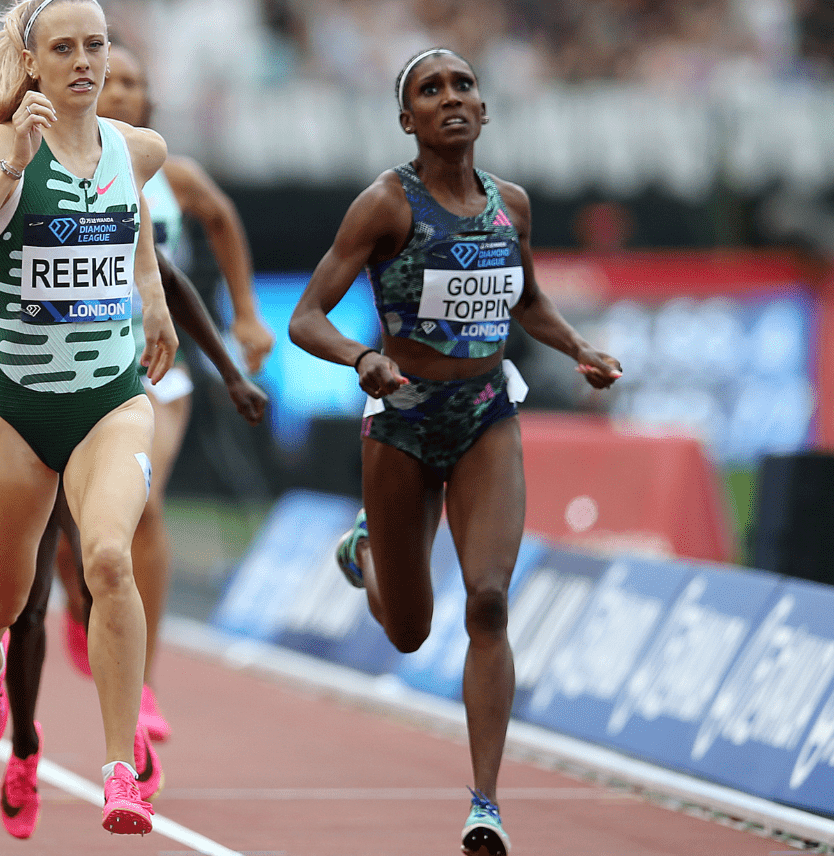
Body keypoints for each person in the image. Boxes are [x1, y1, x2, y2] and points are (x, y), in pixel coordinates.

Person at [287, 48, 623, 856]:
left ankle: (486, 805)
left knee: (489, 603)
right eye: (430, 91)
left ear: (484, 107)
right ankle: (368, 551)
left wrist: (579, 346)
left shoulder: (511, 205)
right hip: (401, 423)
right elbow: (306, 317)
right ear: (408, 120)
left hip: (483, 419)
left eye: (464, 85)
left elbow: (530, 300)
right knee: (406, 630)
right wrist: (362, 359)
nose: (451, 99)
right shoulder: (383, 206)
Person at [0, 0, 176, 836]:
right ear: (32, 62)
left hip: (111, 398)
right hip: (17, 407)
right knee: (1, 600)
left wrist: (150, 297)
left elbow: (134, 226)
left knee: (108, 558)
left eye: (95, 45)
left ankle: (119, 771)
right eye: (63, 47)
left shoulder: (137, 149)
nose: (83, 60)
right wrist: (13, 167)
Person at [0, 246, 268, 838]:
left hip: (98, 412)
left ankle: (127, 737)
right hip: (20, 415)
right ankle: (23, 749)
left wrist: (229, 373)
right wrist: (5, 223)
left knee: (105, 567)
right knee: (22, 603)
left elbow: (167, 273)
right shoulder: (8, 186)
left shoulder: (110, 182)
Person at [56, 41, 277, 744]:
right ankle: (75, 600)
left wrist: (244, 312)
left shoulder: (170, 172)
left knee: (141, 504)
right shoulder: (53, 160)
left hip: (156, 367)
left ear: (149, 100)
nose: (121, 91)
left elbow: (223, 220)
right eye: (111, 79)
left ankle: (143, 684)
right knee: (73, 529)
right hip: (72, 365)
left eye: (134, 82)